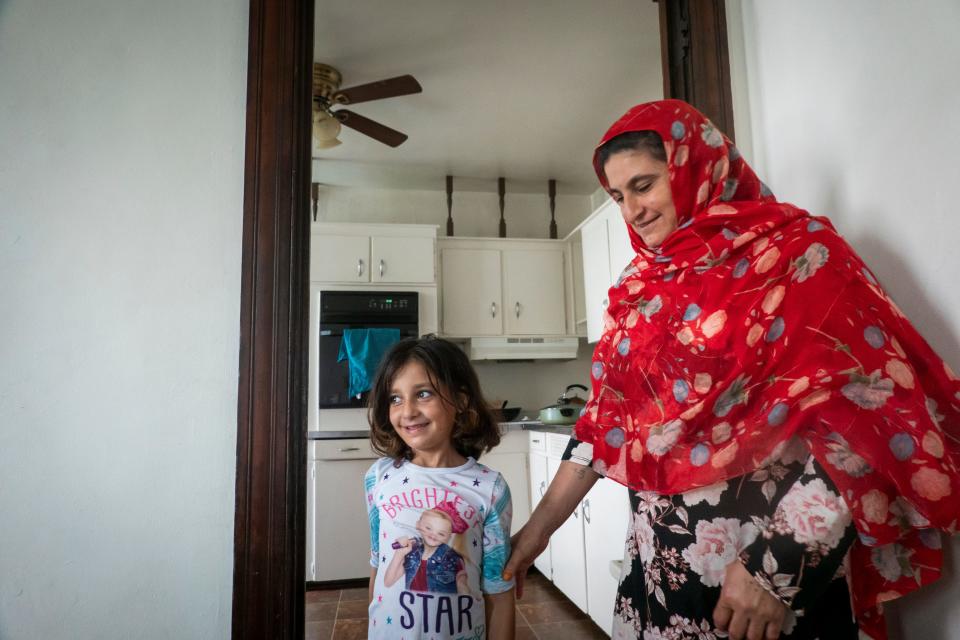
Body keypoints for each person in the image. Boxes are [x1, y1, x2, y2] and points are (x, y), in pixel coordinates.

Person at [503, 100, 960, 640]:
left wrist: (775, 568)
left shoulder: (798, 255)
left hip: (765, 575)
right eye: (618, 196)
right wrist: (537, 530)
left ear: (698, 168)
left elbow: (872, 413)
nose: (632, 211)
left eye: (645, 185)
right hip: (661, 572)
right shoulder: (638, 288)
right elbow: (604, 425)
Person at [364, 335, 515, 639]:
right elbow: (377, 566)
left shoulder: (491, 489)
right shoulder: (378, 478)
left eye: (422, 394)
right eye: (395, 398)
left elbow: (499, 594)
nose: (406, 412)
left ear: (460, 401)